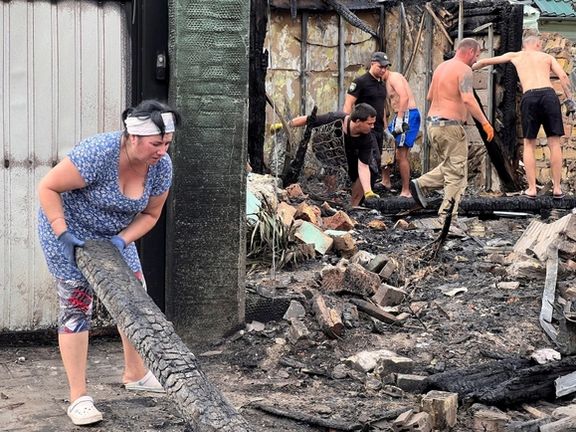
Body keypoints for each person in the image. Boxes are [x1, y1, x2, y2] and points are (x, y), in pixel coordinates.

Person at [37, 99, 181, 426]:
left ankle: (136, 373)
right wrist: (62, 232)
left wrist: (122, 240)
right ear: (133, 138)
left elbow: (150, 214)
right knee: (76, 305)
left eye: (167, 143)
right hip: (68, 230)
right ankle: (78, 397)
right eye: (156, 143)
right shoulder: (98, 154)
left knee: (133, 298)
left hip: (114, 236)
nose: (163, 150)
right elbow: (47, 187)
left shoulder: (161, 167)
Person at [472, 35, 576, 199]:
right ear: (537, 44)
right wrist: (570, 100)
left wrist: (469, 67)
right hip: (549, 96)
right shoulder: (547, 57)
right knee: (554, 143)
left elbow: (486, 62)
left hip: (530, 97)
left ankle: (532, 189)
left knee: (529, 143)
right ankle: (557, 189)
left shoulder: (516, 55)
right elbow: (563, 77)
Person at [409, 38, 494, 221]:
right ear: (470, 51)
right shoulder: (464, 69)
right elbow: (468, 99)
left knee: (452, 167)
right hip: (450, 126)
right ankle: (448, 218)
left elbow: (430, 95)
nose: (475, 60)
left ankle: (421, 184)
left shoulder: (442, 67)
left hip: (433, 125)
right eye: (477, 56)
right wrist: (485, 123)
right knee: (456, 174)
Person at [288, 103, 380, 206]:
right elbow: (310, 119)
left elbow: (363, 166)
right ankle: (331, 197)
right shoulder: (336, 119)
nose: (372, 126)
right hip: (329, 148)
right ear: (358, 121)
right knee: (331, 168)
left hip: (352, 152)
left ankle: (354, 206)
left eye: (373, 123)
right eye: (369, 123)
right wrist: (287, 125)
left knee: (370, 169)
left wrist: (368, 192)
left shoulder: (367, 138)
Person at [343, 52, 389, 187]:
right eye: (380, 67)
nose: (383, 70)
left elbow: (382, 107)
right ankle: (363, 191)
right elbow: (348, 103)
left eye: (385, 68)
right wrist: (347, 125)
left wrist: (386, 128)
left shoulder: (381, 84)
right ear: (373, 63)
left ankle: (365, 191)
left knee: (378, 160)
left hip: (379, 128)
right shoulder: (360, 82)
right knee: (371, 161)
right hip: (366, 129)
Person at [381, 67, 421, 198]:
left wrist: (399, 119)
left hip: (407, 115)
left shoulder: (394, 77)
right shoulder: (383, 82)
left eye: (382, 68)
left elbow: (404, 97)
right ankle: (385, 181)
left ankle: (406, 190)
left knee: (400, 155)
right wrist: (386, 127)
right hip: (399, 115)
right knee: (386, 146)